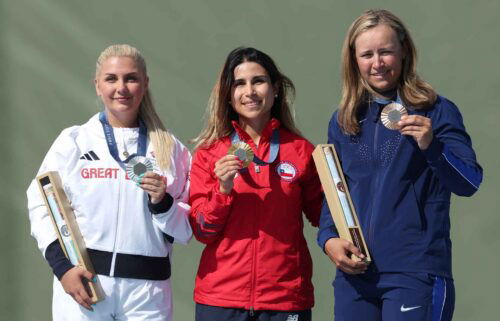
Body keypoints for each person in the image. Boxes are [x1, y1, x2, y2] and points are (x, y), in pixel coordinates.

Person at [317, 9, 483, 321]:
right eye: (367, 54)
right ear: (354, 60)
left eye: (385, 52)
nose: (377, 63)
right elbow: (334, 191)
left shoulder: (436, 111)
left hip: (415, 274)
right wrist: (328, 239)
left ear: (404, 51)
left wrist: (432, 146)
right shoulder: (344, 120)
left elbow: (470, 182)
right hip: (356, 277)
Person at [27, 44, 192, 321]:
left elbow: (186, 229)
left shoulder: (170, 149)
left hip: (148, 292)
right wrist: (62, 268)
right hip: (85, 285)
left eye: (131, 78)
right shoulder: (74, 142)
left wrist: (162, 203)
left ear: (145, 83)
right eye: (111, 78)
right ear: (97, 85)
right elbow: (41, 205)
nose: (122, 88)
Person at [189, 47, 323, 321]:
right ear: (229, 95)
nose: (249, 91)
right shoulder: (210, 153)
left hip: (285, 298)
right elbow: (202, 230)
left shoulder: (301, 151)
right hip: (221, 298)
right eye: (239, 83)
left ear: (275, 89)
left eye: (258, 81)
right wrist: (222, 190)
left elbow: (325, 215)